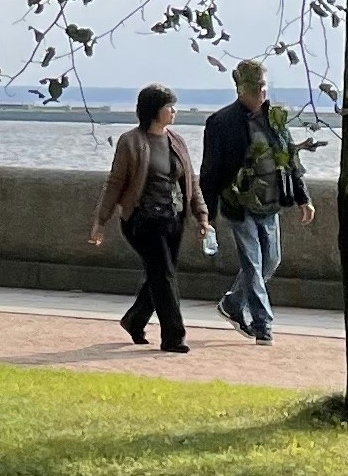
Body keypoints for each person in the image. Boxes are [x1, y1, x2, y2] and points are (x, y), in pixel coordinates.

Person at [199, 56, 313, 344]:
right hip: (239, 204)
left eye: (265, 85)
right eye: (257, 87)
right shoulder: (221, 122)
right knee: (252, 263)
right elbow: (210, 171)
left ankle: (233, 304)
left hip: (271, 204)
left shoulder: (275, 118)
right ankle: (263, 325)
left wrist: (303, 198)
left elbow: (290, 160)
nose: (263, 92)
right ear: (242, 90)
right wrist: (206, 214)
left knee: (271, 261)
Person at [89, 82, 199, 352]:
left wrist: (202, 215)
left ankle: (134, 320)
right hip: (142, 220)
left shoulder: (177, 142)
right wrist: (100, 221)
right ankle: (174, 337)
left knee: (161, 274)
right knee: (164, 275)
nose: (174, 111)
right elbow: (115, 182)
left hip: (173, 219)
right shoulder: (131, 142)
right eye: (168, 106)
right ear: (153, 110)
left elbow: (191, 182)